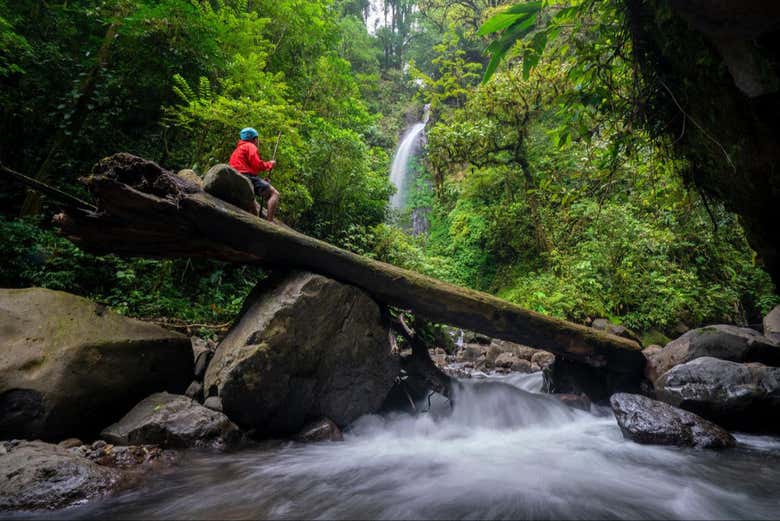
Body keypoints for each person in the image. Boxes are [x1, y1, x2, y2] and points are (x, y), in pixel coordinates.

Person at [229, 127, 280, 222]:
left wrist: (262, 181)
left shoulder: (237, 150)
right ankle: (269, 223)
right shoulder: (250, 146)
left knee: (254, 213)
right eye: (257, 139)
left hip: (237, 178)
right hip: (246, 177)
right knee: (274, 194)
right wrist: (270, 164)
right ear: (254, 139)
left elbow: (249, 168)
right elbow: (257, 165)